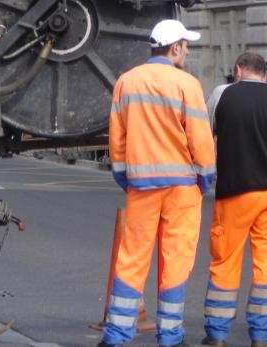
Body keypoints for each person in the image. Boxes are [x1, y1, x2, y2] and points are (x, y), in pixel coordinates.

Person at [99, 19, 216, 347]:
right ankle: (170, 337)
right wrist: (206, 176)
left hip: (141, 186)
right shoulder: (186, 84)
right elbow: (200, 137)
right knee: (176, 261)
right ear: (175, 47)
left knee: (132, 258)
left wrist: (123, 174)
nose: (188, 51)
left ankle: (117, 336)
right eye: (186, 45)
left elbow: (117, 135)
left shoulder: (127, 81)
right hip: (182, 188)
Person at [201, 52, 267, 347]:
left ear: (238, 70)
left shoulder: (222, 95)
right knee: (266, 266)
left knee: (225, 261)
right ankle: (261, 336)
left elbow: (202, 137)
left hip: (235, 192)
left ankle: (217, 334)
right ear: (264, 74)